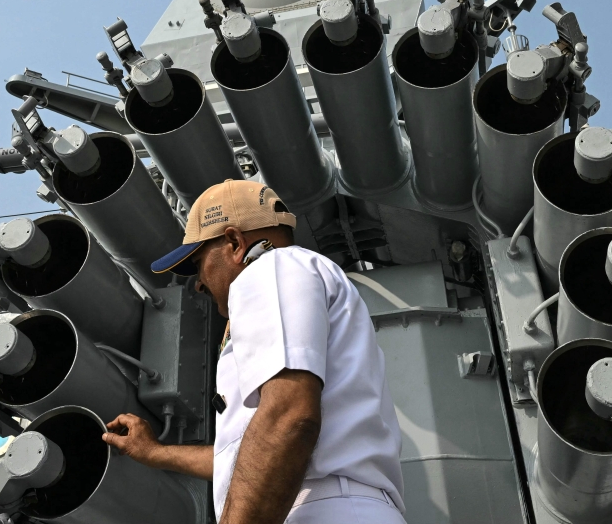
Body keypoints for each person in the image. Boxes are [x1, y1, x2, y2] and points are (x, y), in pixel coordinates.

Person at [102, 179, 406, 524]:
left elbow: (289, 417)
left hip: (317, 507)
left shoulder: (271, 268)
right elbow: (250, 458)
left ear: (234, 242)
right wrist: (157, 453)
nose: (199, 282)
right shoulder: (298, 276)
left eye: (200, 261)